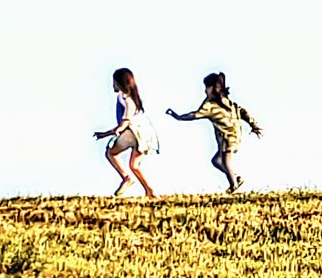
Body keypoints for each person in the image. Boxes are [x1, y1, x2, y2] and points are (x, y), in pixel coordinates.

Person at [166, 72, 263, 193]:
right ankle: (235, 178)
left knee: (226, 163)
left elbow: (195, 115)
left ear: (213, 88)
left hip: (227, 137)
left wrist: (178, 117)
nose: (205, 91)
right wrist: (253, 124)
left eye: (206, 87)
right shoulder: (226, 101)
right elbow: (242, 111)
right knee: (216, 161)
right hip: (235, 136)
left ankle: (234, 186)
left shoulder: (210, 105)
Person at [92, 68, 159, 197]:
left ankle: (127, 178)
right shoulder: (132, 98)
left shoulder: (125, 98)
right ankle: (150, 191)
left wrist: (110, 132)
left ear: (120, 83)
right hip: (146, 135)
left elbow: (126, 121)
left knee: (111, 153)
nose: (112, 85)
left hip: (133, 133)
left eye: (114, 82)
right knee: (134, 165)